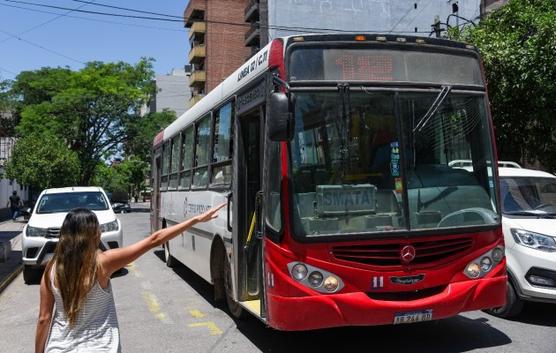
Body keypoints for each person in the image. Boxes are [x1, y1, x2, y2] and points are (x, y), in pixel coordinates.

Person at [35, 203, 226, 353]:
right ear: (93, 234)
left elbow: (44, 318)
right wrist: (195, 220)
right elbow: (155, 240)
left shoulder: (51, 269)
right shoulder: (102, 263)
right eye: (98, 229)